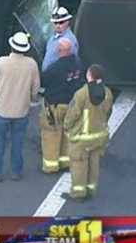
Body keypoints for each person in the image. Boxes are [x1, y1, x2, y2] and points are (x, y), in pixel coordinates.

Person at [0, 32, 40, 182]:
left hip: (1, 109)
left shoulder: (1, 63)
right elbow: (35, 88)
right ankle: (16, 171)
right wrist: (30, 100)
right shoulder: (31, 64)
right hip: (21, 111)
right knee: (18, 142)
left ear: (11, 46)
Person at [61, 64, 113, 200]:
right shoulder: (107, 92)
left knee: (79, 165)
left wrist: (67, 126)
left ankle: (78, 193)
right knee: (94, 163)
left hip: (82, 138)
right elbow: (108, 112)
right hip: (100, 136)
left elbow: (73, 114)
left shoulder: (81, 94)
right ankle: (91, 189)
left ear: (89, 75)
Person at [39, 38, 84, 173]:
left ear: (59, 51)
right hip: (72, 104)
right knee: (67, 134)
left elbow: (43, 82)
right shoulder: (78, 64)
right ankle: (66, 163)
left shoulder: (55, 68)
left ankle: (51, 166)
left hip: (55, 106)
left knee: (51, 134)